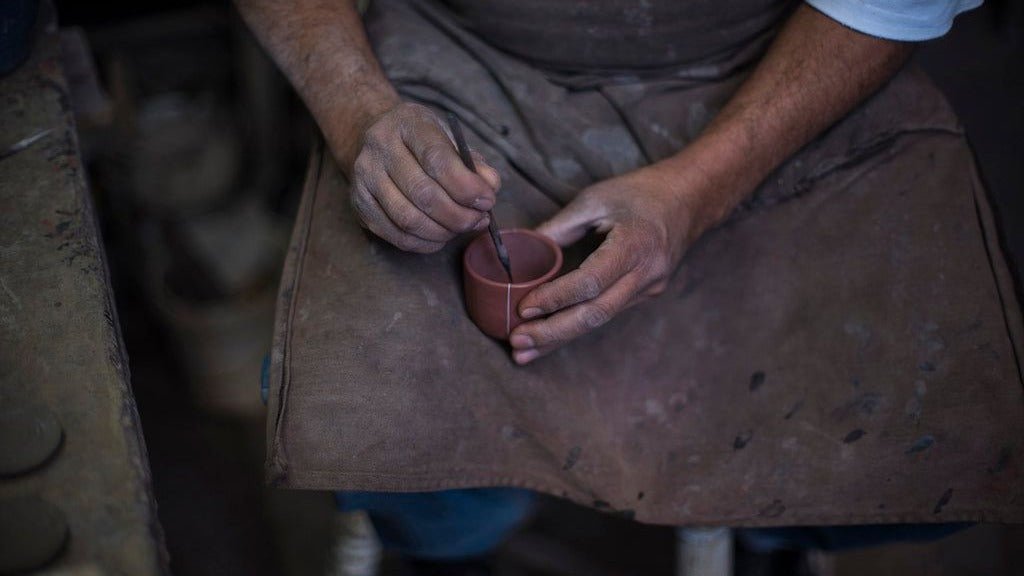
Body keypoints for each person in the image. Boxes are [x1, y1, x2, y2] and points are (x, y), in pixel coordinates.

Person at [242, 0, 1021, 573]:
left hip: (777, 70)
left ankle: (770, 538)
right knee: (377, 404)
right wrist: (357, 111)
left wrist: (701, 190)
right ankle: (452, 548)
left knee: (903, 403)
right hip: (455, 60)